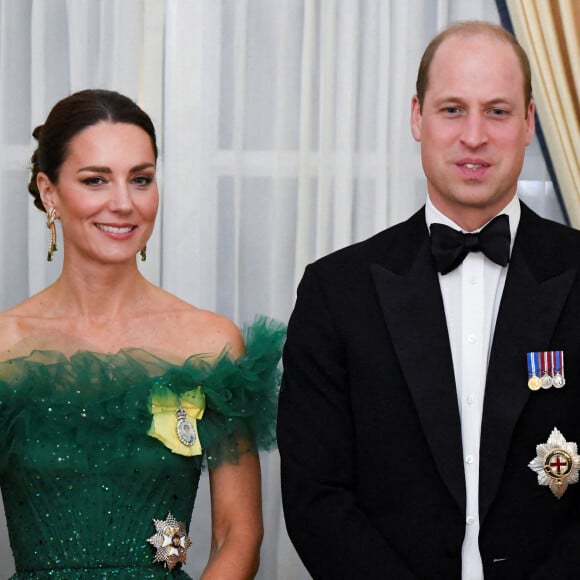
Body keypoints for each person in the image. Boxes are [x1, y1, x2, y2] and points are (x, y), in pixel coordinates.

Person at [278, 20, 580, 579]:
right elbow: (316, 497)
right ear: (417, 117)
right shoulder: (335, 292)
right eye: (451, 110)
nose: (473, 136)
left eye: (497, 110)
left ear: (529, 122)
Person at [0, 89, 285, 579]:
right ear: (50, 193)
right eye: (95, 180)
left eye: (141, 180)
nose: (123, 203)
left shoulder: (208, 344)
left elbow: (237, 534)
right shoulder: (5, 345)